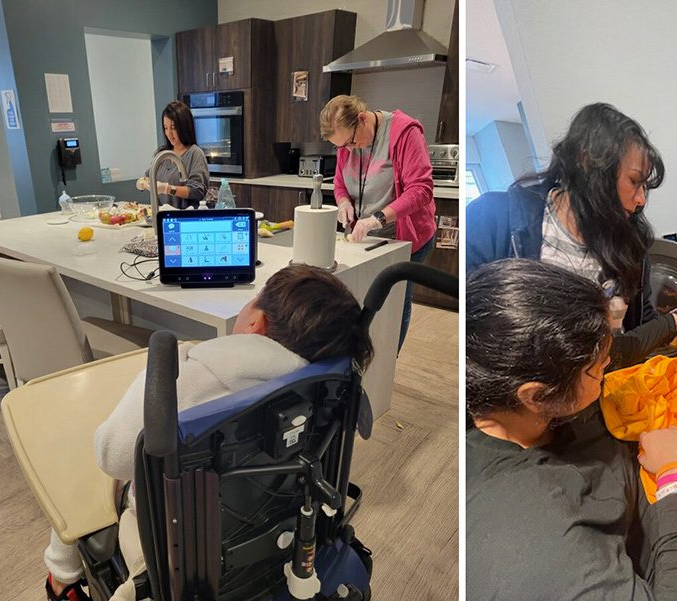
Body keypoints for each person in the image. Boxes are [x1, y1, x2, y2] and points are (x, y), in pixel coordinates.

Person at [43, 264, 374, 601]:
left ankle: (61, 577)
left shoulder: (182, 374)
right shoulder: (324, 390)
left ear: (256, 321)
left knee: (80, 463)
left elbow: (111, 456)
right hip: (280, 532)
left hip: (175, 549)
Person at [466, 259, 677, 601]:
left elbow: (626, 347)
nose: (609, 366)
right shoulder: (548, 551)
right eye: (598, 370)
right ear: (537, 396)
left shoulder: (514, 383)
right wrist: (674, 480)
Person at [466, 103, 677, 370]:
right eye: (634, 181)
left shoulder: (631, 244)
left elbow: (639, 326)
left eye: (645, 187)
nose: (641, 200)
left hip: (606, 396)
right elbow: (471, 335)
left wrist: (676, 335)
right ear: (586, 162)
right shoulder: (492, 219)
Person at [320, 95, 437, 350]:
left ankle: (388, 362)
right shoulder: (346, 144)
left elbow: (421, 190)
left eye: (351, 142)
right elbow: (340, 183)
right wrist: (343, 203)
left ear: (362, 119)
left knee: (394, 303)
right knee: (364, 297)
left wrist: (378, 218)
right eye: (342, 148)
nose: (349, 150)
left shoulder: (405, 132)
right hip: (367, 238)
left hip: (405, 236)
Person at [135, 100, 210, 209]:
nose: (169, 133)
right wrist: (143, 182)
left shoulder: (195, 153)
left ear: (184, 127)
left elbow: (197, 191)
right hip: (162, 216)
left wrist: (168, 189)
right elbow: (149, 177)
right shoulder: (162, 154)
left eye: (173, 128)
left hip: (185, 219)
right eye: (166, 128)